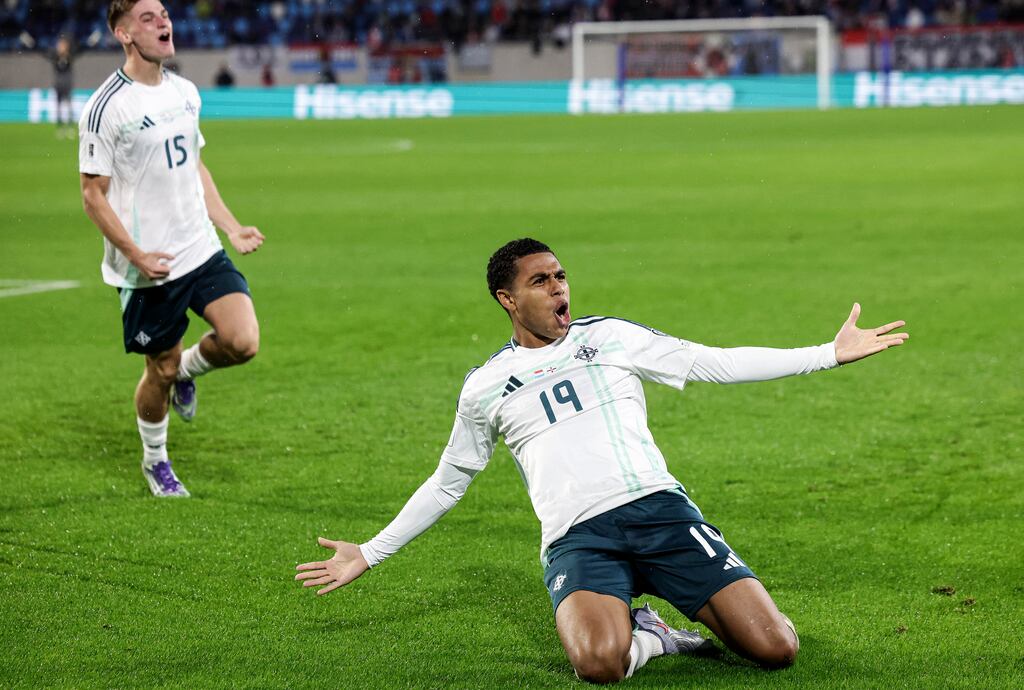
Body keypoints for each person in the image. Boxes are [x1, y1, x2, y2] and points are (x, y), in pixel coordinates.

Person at [295, 238, 909, 682]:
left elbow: (712, 362)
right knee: (598, 665)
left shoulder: (610, 337)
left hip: (660, 512)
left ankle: (690, 608)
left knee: (777, 650)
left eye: (560, 276)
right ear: (507, 299)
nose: (559, 288)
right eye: (541, 281)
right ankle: (652, 636)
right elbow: (449, 483)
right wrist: (371, 553)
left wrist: (825, 354)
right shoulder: (485, 386)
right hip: (578, 537)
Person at [78, 0, 265, 498]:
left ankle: (187, 372)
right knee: (156, 370)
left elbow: (194, 167)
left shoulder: (185, 91)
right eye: (147, 18)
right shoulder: (106, 106)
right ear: (123, 34)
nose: (163, 22)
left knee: (243, 340)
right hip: (147, 267)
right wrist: (136, 254)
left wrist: (229, 226)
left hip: (198, 247)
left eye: (164, 14)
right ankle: (155, 461)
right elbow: (92, 195)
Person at [50, 36, 75, 138]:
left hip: (67, 83)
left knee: (68, 105)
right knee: (59, 106)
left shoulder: (70, 57)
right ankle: (60, 128)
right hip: (58, 84)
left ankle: (69, 127)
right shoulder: (55, 57)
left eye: (63, 46)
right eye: (60, 46)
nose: (61, 47)